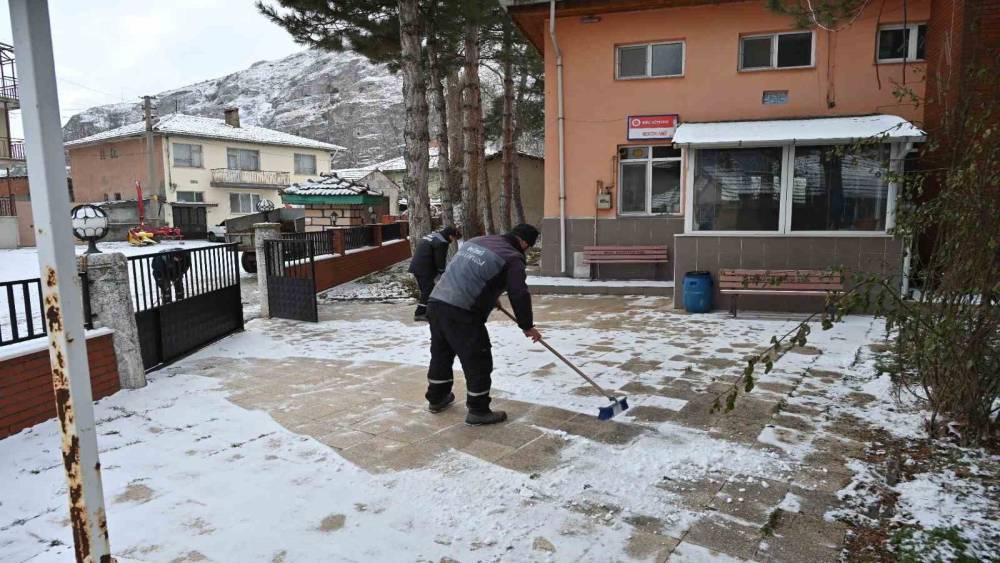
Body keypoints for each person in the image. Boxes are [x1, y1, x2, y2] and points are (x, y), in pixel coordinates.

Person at [424, 223, 541, 425]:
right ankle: (478, 410)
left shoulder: (477, 241)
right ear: (523, 242)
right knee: (478, 359)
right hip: (462, 312)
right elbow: (519, 293)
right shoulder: (513, 257)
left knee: (441, 353)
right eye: (528, 246)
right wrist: (526, 325)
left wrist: (488, 296)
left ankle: (437, 398)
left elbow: (465, 271)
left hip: (437, 302)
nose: (526, 250)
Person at [408, 225, 461, 322]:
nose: (453, 240)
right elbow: (440, 260)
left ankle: (427, 311)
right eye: (454, 238)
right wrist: (442, 273)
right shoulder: (441, 242)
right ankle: (419, 313)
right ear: (450, 235)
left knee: (427, 290)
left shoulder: (434, 236)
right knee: (428, 291)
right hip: (424, 268)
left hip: (417, 266)